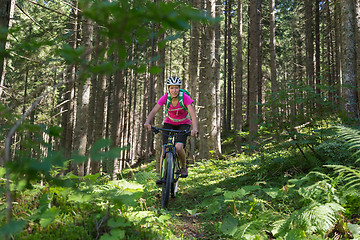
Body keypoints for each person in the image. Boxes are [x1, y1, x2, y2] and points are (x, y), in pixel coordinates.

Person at [144, 76, 198, 184]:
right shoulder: (165, 98)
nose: (174, 90)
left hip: (184, 123)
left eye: (176, 88)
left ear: (179, 88)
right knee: (165, 148)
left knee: (178, 147)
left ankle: (183, 167)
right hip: (169, 123)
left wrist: (194, 129)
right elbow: (154, 111)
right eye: (172, 88)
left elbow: (192, 115)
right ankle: (162, 175)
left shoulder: (185, 98)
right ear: (168, 88)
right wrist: (147, 122)